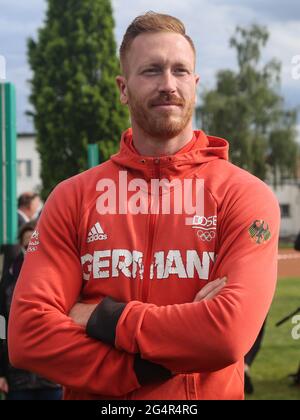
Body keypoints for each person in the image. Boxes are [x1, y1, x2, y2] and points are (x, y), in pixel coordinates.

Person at [8, 12, 280, 400]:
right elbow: (28, 335)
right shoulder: (73, 197)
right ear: (123, 88)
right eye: (151, 71)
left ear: (196, 84)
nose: (168, 85)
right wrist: (147, 365)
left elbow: (226, 334)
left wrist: (104, 318)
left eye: (180, 71)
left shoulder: (243, 195)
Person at [0, 221, 62, 400]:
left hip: (52, 377)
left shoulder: (58, 276)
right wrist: (1, 373)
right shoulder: (8, 280)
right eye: (27, 245)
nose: (31, 249)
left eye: (36, 243)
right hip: (18, 379)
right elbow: (1, 328)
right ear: (21, 245)